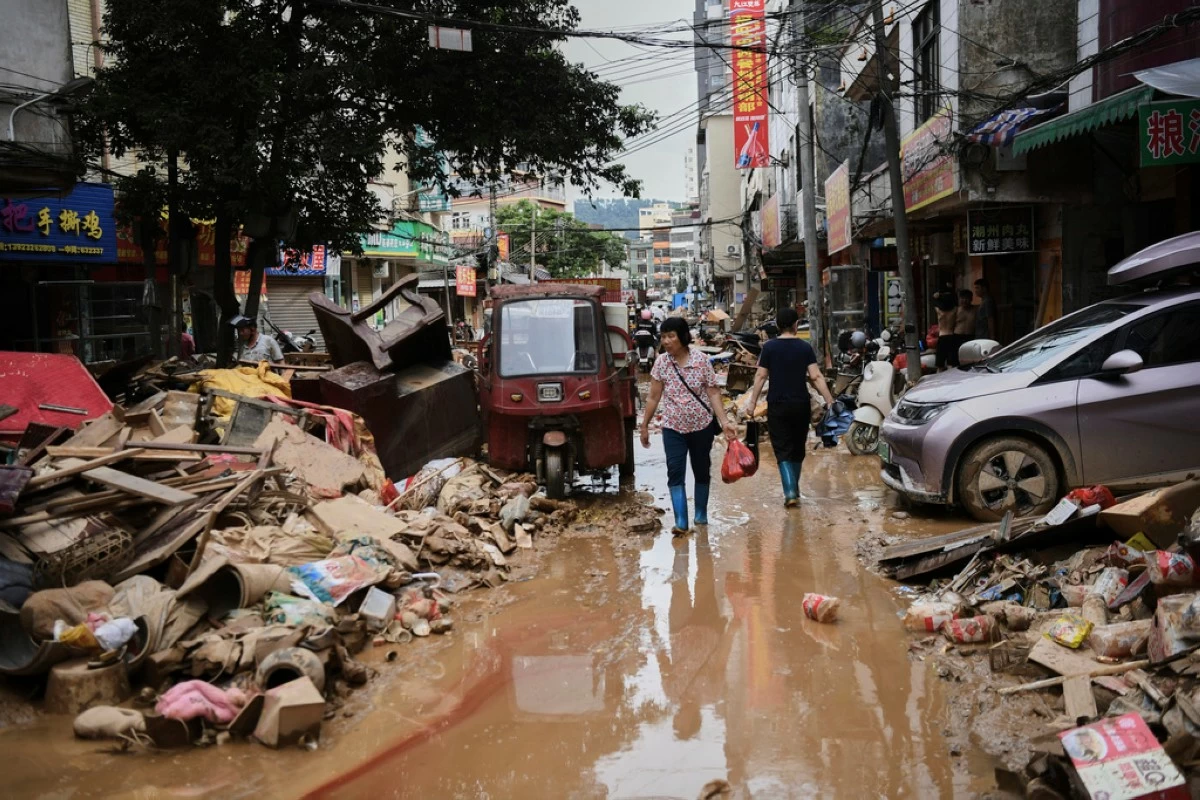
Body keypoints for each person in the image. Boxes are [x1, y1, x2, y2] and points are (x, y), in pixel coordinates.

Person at [640, 316, 737, 535]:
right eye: (663, 336)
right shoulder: (661, 363)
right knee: (675, 471)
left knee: (701, 470)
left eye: (671, 336)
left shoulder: (702, 361)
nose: (666, 341)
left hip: (702, 426)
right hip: (673, 427)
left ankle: (700, 515)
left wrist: (724, 422)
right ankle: (681, 522)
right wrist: (644, 425)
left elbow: (713, 392)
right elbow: (653, 398)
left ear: (682, 337)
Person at [741, 308, 835, 507]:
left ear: (777, 325)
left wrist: (752, 403)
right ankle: (794, 489)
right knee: (797, 448)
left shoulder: (769, 348)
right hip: (801, 404)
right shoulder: (804, 347)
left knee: (782, 449)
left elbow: (760, 376)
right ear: (796, 324)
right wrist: (829, 400)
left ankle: (790, 492)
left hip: (777, 404)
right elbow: (816, 376)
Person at [933, 292, 958, 371]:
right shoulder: (954, 311)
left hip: (942, 337)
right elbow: (955, 301)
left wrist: (937, 296)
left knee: (940, 364)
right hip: (951, 336)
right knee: (951, 364)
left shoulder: (939, 312)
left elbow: (935, 302)